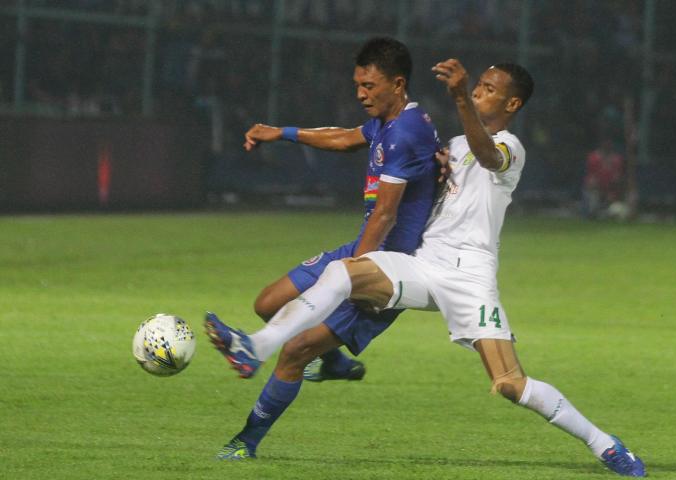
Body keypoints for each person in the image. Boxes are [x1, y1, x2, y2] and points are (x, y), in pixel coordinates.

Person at [205, 57, 646, 477]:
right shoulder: (451, 145)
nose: (476, 94)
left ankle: (603, 443)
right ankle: (254, 349)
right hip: (422, 263)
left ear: (512, 104)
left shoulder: (511, 148)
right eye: (475, 87)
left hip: (470, 277)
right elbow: (371, 145)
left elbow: (488, 156)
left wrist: (455, 99)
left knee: (511, 384)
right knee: (344, 272)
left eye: (488, 90)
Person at [205, 35, 441, 453]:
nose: (360, 94)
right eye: (357, 85)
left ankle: (246, 442)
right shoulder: (390, 121)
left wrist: (356, 276)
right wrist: (282, 132)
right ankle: (334, 362)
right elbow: (346, 137)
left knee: (293, 350)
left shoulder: (405, 132)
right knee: (267, 304)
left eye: (369, 86)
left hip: (387, 267)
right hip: (361, 248)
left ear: (398, 83)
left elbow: (386, 215)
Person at [583, 137, 626, 218]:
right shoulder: (593, 157)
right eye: (605, 143)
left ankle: (612, 211)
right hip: (596, 189)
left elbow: (617, 179)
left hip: (611, 189)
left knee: (618, 205)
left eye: (609, 143)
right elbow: (591, 180)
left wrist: (612, 192)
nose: (607, 145)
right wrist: (600, 189)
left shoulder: (616, 159)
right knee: (592, 196)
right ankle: (593, 211)